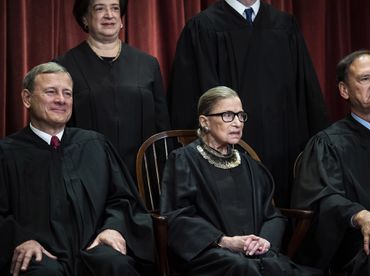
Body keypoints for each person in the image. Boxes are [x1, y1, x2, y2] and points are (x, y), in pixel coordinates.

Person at [167, 0, 329, 207]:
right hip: (227, 156)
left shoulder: (284, 25)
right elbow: (188, 99)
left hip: (285, 146)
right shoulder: (203, 27)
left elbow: (307, 92)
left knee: (285, 217)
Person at [0, 62, 155, 276]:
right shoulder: (7, 153)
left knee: (116, 265)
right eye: (50, 92)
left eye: (67, 93)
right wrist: (20, 240)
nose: (61, 100)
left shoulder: (95, 145)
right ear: (27, 98)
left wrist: (113, 228)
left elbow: (123, 199)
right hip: (40, 255)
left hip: (93, 247)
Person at [160, 86, 321, 275]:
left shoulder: (250, 165)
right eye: (228, 115)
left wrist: (264, 241)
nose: (237, 123)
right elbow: (179, 216)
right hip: (209, 252)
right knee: (242, 267)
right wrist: (224, 241)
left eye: (240, 115)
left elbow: (272, 215)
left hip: (253, 252)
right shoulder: (184, 160)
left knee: (278, 267)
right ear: (205, 122)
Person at [291, 50, 370, 275]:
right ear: (344, 90)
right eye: (365, 79)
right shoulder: (328, 143)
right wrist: (361, 216)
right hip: (365, 243)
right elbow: (321, 198)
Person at [54, 0, 170, 180]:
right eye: (100, 8)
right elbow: (57, 126)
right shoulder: (64, 66)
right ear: (85, 18)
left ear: (122, 19)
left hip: (143, 176)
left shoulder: (148, 64)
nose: (109, 14)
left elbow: (162, 125)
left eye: (115, 8)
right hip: (86, 174)